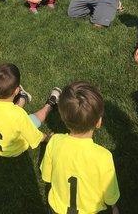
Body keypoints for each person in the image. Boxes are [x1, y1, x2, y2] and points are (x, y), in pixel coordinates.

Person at [41, 81, 120, 214]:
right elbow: (110, 195)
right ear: (99, 122)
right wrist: (114, 207)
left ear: (63, 118)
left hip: (57, 209)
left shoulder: (54, 142)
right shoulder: (104, 157)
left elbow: (46, 177)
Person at [0, 63, 61, 157]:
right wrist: (47, 138)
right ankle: (50, 104)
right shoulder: (19, 115)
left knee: (12, 115)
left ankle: (23, 97)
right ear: (16, 90)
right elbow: (34, 136)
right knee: (30, 120)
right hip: (13, 150)